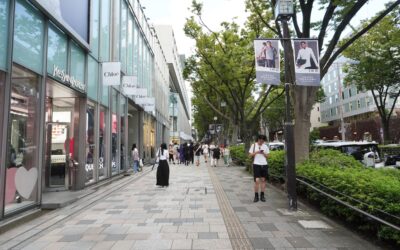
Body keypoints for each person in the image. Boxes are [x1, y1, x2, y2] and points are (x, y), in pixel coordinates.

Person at [249, 135, 270, 202]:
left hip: (264, 164)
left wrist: (263, 153)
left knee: (263, 180)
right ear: (258, 139)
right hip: (256, 164)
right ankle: (256, 196)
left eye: (263, 141)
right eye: (261, 140)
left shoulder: (265, 146)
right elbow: (250, 155)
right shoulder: (253, 145)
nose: (262, 142)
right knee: (257, 181)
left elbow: (268, 156)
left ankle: (262, 195)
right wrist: (257, 152)